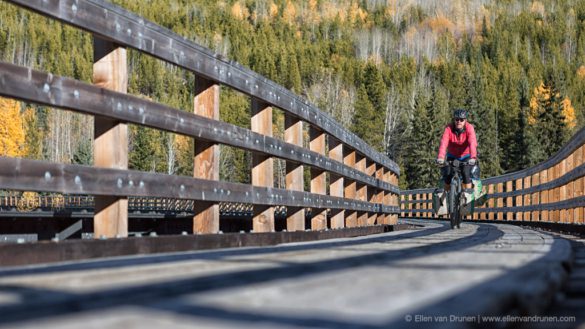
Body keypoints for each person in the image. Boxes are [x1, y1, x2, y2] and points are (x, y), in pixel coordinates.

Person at [436, 109, 478, 194]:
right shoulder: (449, 129)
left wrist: (473, 157)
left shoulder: (469, 128)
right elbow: (444, 142)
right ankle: (446, 196)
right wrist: (441, 157)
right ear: (454, 120)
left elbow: (472, 142)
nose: (459, 122)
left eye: (461, 120)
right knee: (447, 174)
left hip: (466, 156)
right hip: (452, 155)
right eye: (457, 119)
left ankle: (468, 197)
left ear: (465, 120)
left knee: (466, 173)